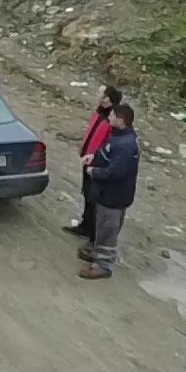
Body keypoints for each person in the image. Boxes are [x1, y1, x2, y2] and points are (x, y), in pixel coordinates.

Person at [80, 102, 140, 280]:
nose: (109, 118)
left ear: (121, 120)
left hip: (113, 196)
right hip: (108, 193)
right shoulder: (119, 137)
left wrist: (93, 171)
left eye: (112, 115)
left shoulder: (125, 145)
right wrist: (94, 157)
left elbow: (115, 171)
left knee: (108, 229)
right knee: (103, 225)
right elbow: (108, 155)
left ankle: (103, 265)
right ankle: (97, 254)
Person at [65, 86, 124, 239]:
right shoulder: (100, 112)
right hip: (88, 159)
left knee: (95, 198)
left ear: (108, 98)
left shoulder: (112, 119)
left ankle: (94, 233)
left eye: (101, 93)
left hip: (98, 164)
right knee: (87, 194)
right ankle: (86, 224)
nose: (97, 95)